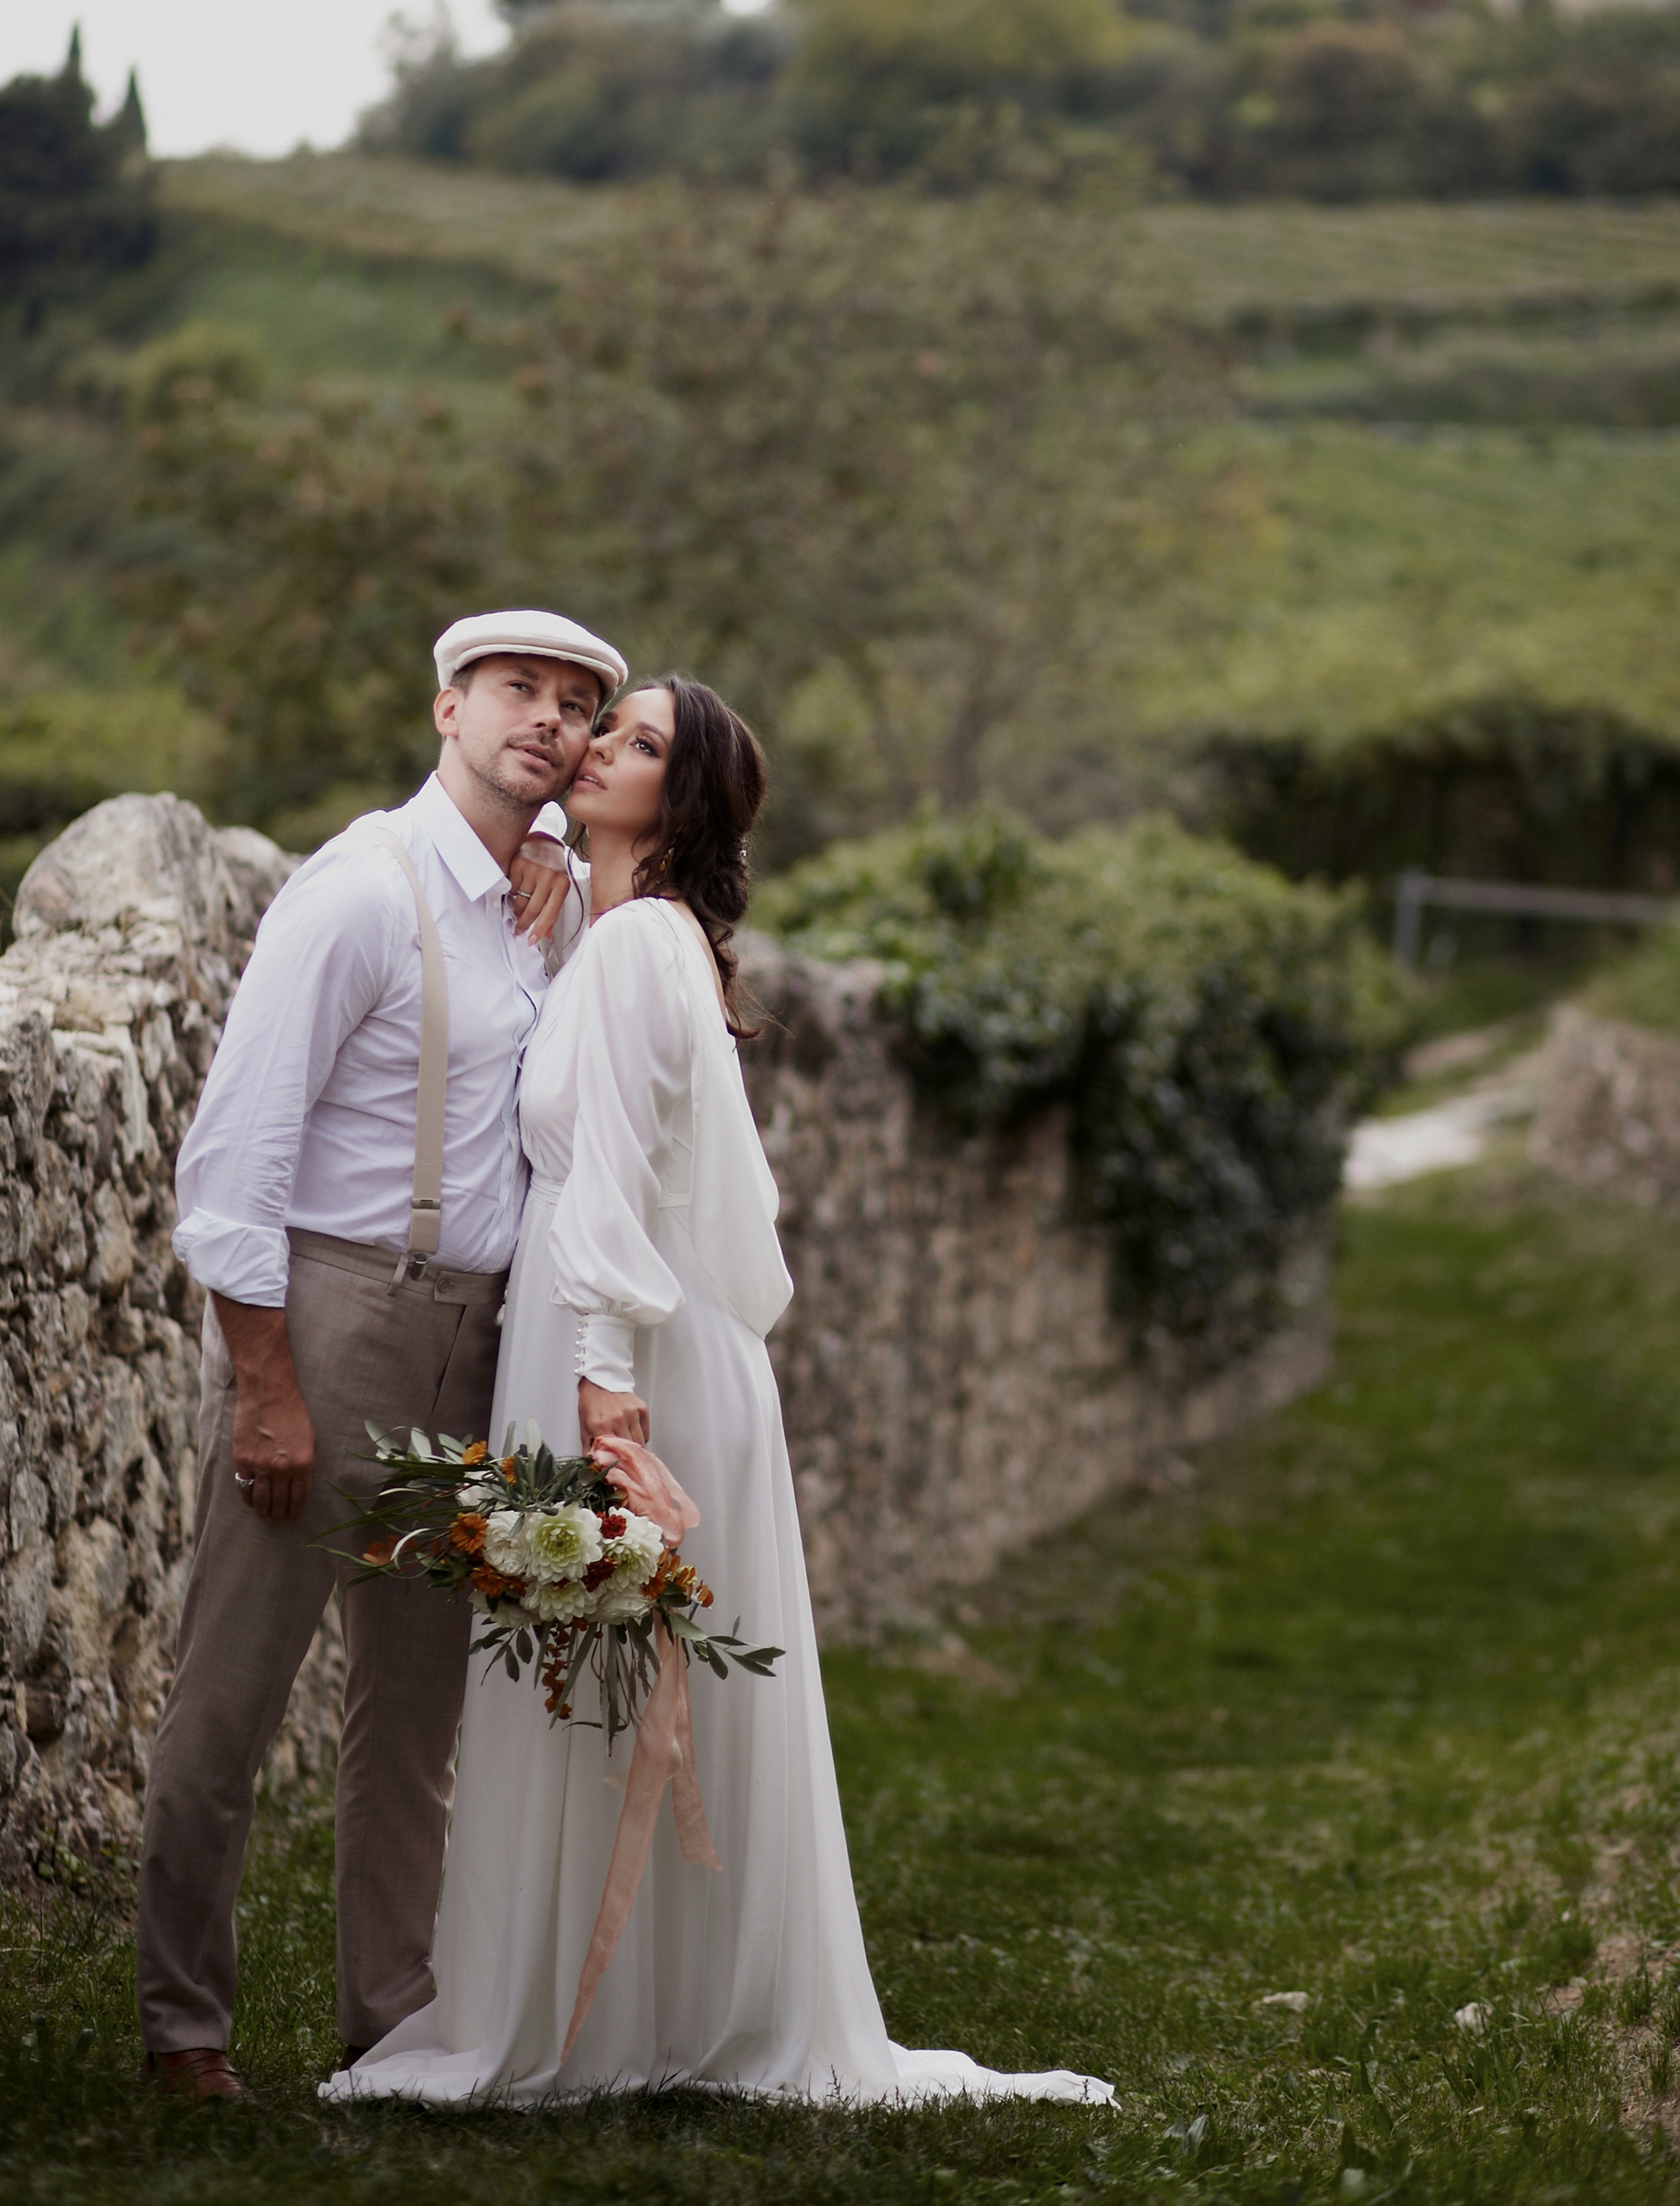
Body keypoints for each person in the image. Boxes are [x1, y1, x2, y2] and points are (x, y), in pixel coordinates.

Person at [327, 677, 1112, 2108]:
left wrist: (604, 1399)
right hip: (615, 1332)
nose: (591, 745)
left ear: (674, 802)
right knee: (600, 1678)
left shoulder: (635, 948)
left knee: (605, 1672)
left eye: (630, 742)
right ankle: (632, 2009)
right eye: (602, 726)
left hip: (615, 1352)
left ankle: (594, 2022)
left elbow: (615, 1186)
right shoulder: (627, 936)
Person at [136, 607, 625, 2102]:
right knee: (233, 1688)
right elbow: (232, 1161)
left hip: (477, 1336)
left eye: (572, 705)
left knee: (412, 1711)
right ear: (446, 709)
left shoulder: (543, 907)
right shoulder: (357, 892)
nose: (543, 720)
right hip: (336, 1315)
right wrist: (266, 1385)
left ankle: (391, 2022)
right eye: (514, 692)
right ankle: (182, 2031)